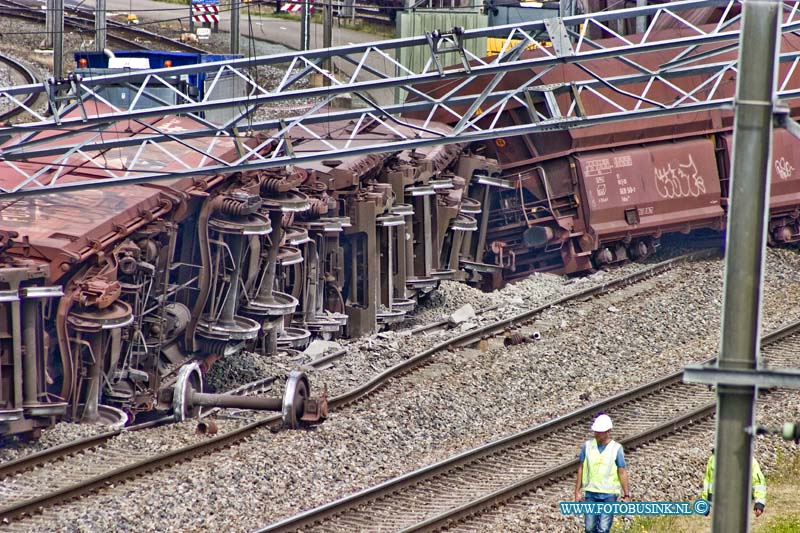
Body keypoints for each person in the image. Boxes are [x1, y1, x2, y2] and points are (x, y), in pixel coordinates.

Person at [574, 413, 631, 533]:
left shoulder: (616, 448)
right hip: (591, 492)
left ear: (608, 431)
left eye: (600, 432)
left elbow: (622, 471)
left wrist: (626, 495)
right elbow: (581, 468)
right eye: (596, 431)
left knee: (603, 529)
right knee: (589, 528)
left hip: (609, 494)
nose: (596, 434)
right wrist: (577, 491)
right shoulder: (587, 446)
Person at [700, 449, 766, 516]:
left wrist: (759, 503)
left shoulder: (747, 459)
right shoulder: (713, 459)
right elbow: (708, 482)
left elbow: (758, 482)